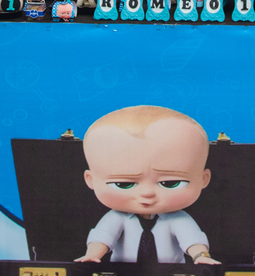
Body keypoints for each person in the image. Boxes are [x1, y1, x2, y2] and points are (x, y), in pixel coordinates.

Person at [77, 106, 218, 265]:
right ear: (90, 180)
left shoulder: (178, 219)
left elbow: (191, 239)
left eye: (170, 183)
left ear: (203, 179)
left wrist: (201, 256)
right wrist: (92, 255)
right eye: (123, 184)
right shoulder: (116, 217)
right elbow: (103, 237)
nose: (147, 193)